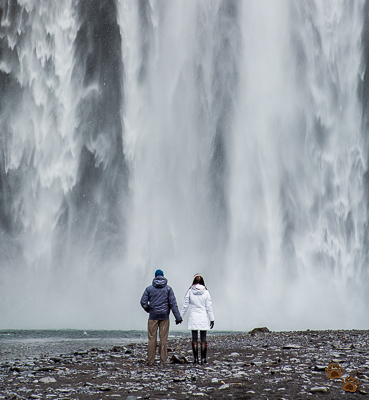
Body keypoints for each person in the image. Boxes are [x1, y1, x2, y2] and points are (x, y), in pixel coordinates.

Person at [140, 269, 182, 365]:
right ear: (163, 276)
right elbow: (173, 304)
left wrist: (148, 309)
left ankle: (150, 360)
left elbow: (143, 302)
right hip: (164, 317)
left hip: (153, 317)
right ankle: (163, 360)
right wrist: (178, 317)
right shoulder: (168, 289)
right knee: (163, 339)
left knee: (151, 338)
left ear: (155, 277)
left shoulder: (149, 289)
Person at [180, 274, 214, 364]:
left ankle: (195, 359)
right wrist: (212, 319)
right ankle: (203, 359)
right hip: (203, 316)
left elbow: (185, 306)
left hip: (193, 316)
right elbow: (209, 307)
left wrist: (180, 317)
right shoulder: (206, 292)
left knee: (194, 338)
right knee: (203, 338)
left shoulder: (190, 291)